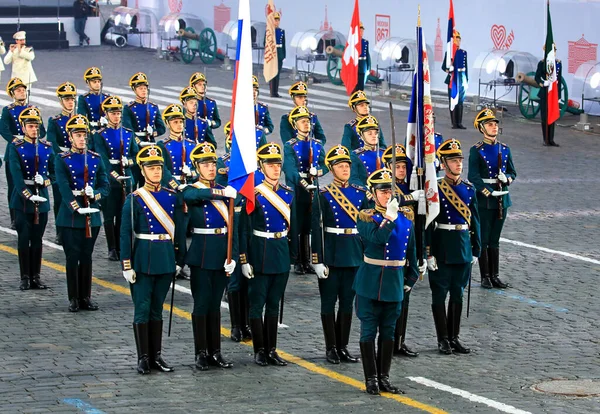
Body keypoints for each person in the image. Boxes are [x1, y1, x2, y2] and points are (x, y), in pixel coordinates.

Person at [355, 168, 421, 395]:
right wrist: (389, 219)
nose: (386, 195)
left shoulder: (406, 217)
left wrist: (411, 278)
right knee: (368, 332)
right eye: (382, 192)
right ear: (372, 195)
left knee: (389, 333)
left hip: (394, 283)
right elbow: (377, 238)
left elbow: (411, 251)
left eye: (389, 191)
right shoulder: (366, 216)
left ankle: (384, 377)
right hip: (370, 283)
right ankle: (370, 378)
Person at [120, 145, 181, 375]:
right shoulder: (135, 199)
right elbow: (125, 233)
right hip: (143, 259)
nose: (156, 172)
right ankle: (143, 357)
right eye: (151, 168)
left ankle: (156, 355)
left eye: (158, 167)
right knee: (142, 309)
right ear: (142, 171)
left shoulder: (170, 196)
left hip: (165, 258)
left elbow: (179, 228)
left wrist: (178, 259)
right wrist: (126, 264)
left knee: (157, 309)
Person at [239, 142, 298, 367]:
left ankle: (271, 349)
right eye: (269, 165)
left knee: (274, 303)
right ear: (261, 167)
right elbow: (244, 229)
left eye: (277, 165)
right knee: (257, 303)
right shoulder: (254, 194)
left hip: (280, 251)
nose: (274, 169)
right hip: (260, 252)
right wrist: (244, 259)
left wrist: (292, 257)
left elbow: (294, 227)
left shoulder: (288, 194)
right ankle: (259, 350)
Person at [311, 145, 369, 364]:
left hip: (353, 253)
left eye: (347, 165)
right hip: (332, 254)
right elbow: (315, 229)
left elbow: (365, 228)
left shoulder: (359, 193)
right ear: (331, 169)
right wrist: (317, 259)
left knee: (347, 303)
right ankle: (330, 347)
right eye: (340, 166)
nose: (345, 169)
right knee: (328, 303)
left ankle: (343, 346)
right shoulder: (323, 194)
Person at [183, 142, 238, 370]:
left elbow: (234, 227)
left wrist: (233, 256)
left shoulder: (227, 191)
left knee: (215, 305)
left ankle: (215, 352)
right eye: (206, 164)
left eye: (213, 163)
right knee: (202, 304)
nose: (211, 167)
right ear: (197, 167)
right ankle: (200, 352)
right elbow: (194, 195)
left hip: (221, 254)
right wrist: (220, 192)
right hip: (202, 255)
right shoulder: (190, 189)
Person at [427, 138, 481, 355]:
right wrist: (428, 252)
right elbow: (428, 224)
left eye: (459, 160)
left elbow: (475, 220)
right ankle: (442, 339)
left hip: (462, 247)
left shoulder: (469, 188)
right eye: (453, 160)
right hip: (442, 246)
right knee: (439, 295)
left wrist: (476, 249)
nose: (458, 164)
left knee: (458, 295)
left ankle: (454, 336)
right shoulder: (436, 188)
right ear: (444, 163)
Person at [54, 115, 110, 312]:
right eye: (78, 135)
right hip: (71, 216)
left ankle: (86, 296)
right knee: (72, 257)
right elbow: (62, 186)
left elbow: (105, 184)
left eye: (84, 135)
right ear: (70, 137)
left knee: (87, 256)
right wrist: (75, 206)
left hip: (91, 215)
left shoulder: (95, 158)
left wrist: (95, 194)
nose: (82, 138)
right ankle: (73, 298)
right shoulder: (62, 159)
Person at [381, 143, 422, 357]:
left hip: (407, 250)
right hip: (390, 252)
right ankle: (389, 340)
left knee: (405, 299)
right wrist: (410, 198)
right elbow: (391, 202)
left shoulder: (409, 187)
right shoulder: (386, 190)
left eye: (404, 167)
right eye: (397, 167)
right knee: (391, 302)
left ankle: (400, 340)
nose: (402, 170)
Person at [469, 109, 516, 289]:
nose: (494, 127)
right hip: (485, 199)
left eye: (495, 124)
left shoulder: (504, 149)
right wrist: (487, 191)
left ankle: (495, 275)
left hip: (502, 199)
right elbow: (473, 176)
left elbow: (513, 171)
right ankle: (485, 276)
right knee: (485, 238)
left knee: (495, 239)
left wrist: (508, 179)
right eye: (490, 124)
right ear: (482, 128)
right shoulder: (476, 150)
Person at [9, 107, 53, 291]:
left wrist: (45, 181)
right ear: (23, 127)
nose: (34, 129)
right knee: (24, 238)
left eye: (36, 126)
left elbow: (55, 174)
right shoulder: (16, 147)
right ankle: (25, 276)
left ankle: (36, 275)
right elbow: (16, 178)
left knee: (37, 239)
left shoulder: (46, 147)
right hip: (22, 201)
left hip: (41, 199)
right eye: (30, 126)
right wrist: (28, 195)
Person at [93, 96, 139, 262]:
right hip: (110, 178)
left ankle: (121, 246)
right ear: (106, 114)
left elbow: (135, 154)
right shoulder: (100, 135)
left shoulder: (127, 133)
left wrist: (130, 161)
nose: (116, 116)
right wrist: (114, 175)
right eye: (113, 113)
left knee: (123, 214)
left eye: (118, 113)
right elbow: (102, 158)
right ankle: (111, 247)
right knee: (109, 214)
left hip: (126, 177)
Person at [216, 131, 252, 343]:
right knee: (236, 279)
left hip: (251, 220)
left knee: (249, 279)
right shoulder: (225, 165)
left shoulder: (255, 164)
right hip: (235, 219)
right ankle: (237, 325)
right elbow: (223, 190)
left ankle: (247, 323)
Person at [283, 105, 328, 274]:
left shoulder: (316, 144)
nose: (306, 124)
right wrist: (303, 183)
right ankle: (296, 260)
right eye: (302, 122)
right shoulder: (290, 146)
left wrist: (320, 171)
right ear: (295, 125)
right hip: (297, 188)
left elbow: (325, 164)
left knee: (311, 225)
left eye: (308, 121)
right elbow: (289, 169)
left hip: (313, 187)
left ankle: (308, 259)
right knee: (296, 223)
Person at [0, 78, 46, 230]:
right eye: (18, 90)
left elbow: (42, 131)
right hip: (15, 149)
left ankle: (33, 211)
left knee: (33, 182)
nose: (22, 92)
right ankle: (15, 216)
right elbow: (4, 129)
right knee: (14, 186)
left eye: (23, 90)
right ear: (12, 93)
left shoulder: (34, 109)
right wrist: (17, 142)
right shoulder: (8, 110)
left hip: (32, 151)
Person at [157, 104, 196, 280]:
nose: (179, 125)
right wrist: (175, 184)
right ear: (168, 124)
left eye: (181, 121)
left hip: (187, 192)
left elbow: (198, 168)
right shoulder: (163, 145)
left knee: (183, 231)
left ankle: (181, 263)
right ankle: (171, 262)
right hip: (172, 192)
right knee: (172, 229)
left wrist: (192, 175)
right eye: (175, 122)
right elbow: (163, 169)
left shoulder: (192, 144)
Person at [47, 82, 78, 245]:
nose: (70, 102)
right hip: (62, 162)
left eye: (72, 99)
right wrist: (65, 155)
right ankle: (60, 231)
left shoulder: (80, 121)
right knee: (60, 200)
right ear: (61, 101)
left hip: (79, 162)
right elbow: (52, 142)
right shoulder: (55, 121)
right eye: (67, 99)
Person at [123, 72, 166, 144]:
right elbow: (128, 129)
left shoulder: (153, 107)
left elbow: (162, 128)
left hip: (150, 142)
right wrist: (139, 142)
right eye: (140, 88)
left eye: (145, 88)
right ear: (134, 90)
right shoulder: (128, 108)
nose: (143, 90)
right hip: (135, 143)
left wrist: (153, 132)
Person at [534, 43, 562, 147]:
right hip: (545, 93)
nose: (553, 53)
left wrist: (558, 96)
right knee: (545, 117)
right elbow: (537, 77)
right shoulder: (542, 63)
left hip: (553, 94)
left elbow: (558, 80)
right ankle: (545, 139)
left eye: (555, 51)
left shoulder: (558, 63)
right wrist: (542, 82)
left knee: (552, 117)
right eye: (551, 51)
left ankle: (551, 139)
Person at [441, 30, 468, 129]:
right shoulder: (449, 53)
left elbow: (466, 68)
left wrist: (466, 80)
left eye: (459, 40)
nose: (458, 41)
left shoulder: (463, 53)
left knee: (460, 101)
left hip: (461, 80)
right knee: (453, 100)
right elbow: (444, 67)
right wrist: (449, 70)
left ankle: (459, 122)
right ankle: (454, 123)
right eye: (456, 39)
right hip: (452, 80)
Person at [349, 115, 385, 187]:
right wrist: (366, 191)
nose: (374, 136)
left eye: (376, 133)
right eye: (369, 133)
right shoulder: (355, 155)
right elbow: (353, 179)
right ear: (361, 136)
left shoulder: (385, 153)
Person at [77, 67, 109, 136]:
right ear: (88, 83)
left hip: (106, 130)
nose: (97, 84)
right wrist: (93, 131)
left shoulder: (107, 98)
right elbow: (82, 118)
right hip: (92, 130)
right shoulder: (84, 98)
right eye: (94, 82)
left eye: (98, 81)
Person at [269, 12, 285, 97]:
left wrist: (283, 55)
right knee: (272, 74)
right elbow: (266, 42)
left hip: (279, 54)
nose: (277, 22)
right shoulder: (270, 31)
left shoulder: (281, 31)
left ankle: (276, 91)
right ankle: (272, 91)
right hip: (272, 53)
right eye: (275, 20)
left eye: (278, 20)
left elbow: (283, 44)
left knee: (277, 74)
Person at [354, 22, 371, 93]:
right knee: (356, 81)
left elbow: (367, 54)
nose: (361, 32)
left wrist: (368, 66)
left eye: (362, 31)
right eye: (360, 30)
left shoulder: (365, 42)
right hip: (356, 63)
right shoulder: (354, 41)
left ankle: (360, 93)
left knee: (362, 81)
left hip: (363, 63)